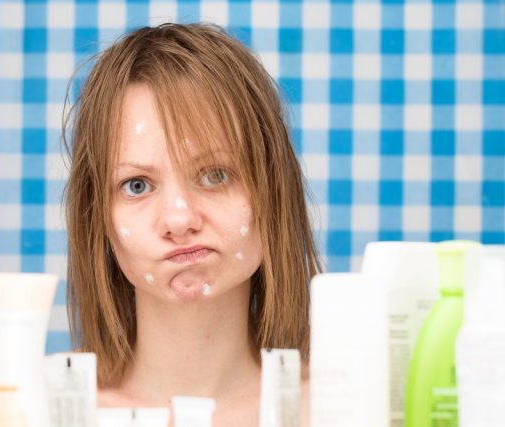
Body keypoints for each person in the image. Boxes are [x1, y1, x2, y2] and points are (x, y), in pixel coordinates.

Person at [63, 22, 321, 427]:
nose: (179, 219)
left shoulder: (340, 406)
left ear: (274, 192)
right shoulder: (48, 407)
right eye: (137, 185)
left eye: (215, 175)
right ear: (98, 219)